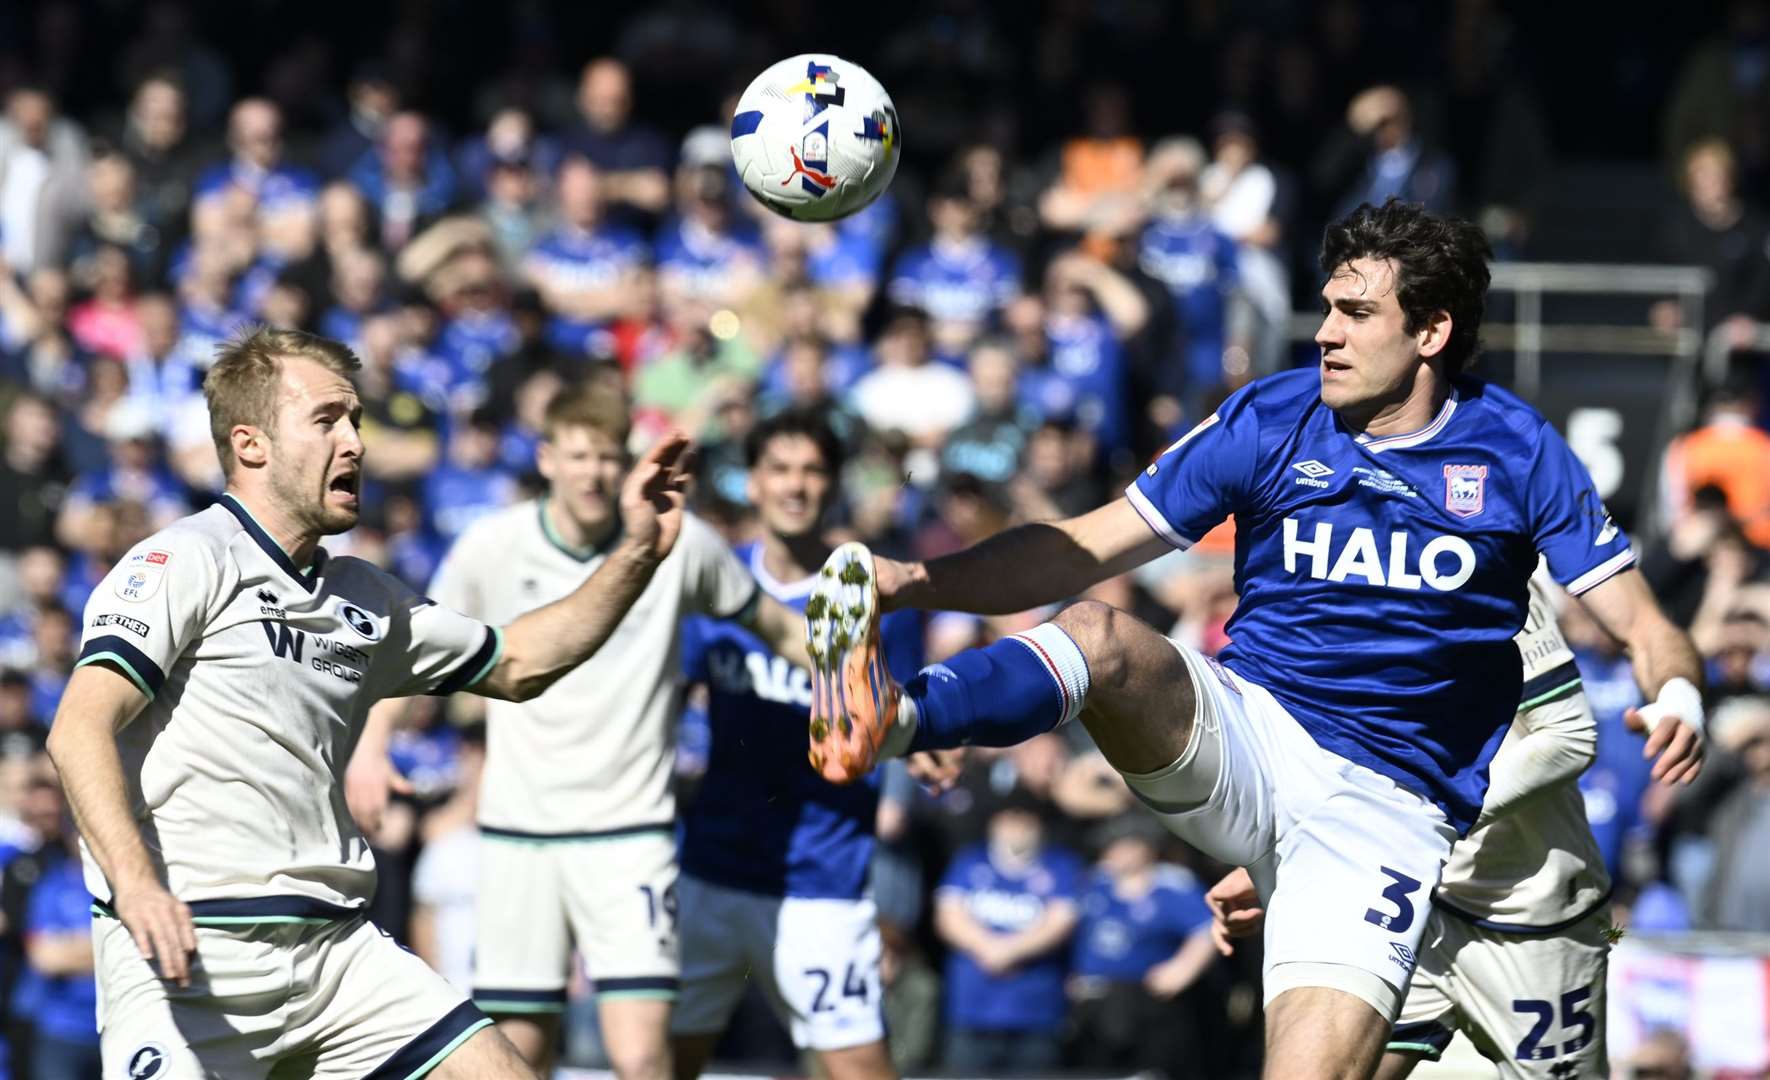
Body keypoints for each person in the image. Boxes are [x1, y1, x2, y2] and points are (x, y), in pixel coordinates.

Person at [801, 199, 1706, 1079]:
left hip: (1388, 814)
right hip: (1254, 732)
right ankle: (896, 718)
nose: (1324, 333)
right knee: (1099, 635)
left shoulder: (1515, 451)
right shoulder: (1270, 419)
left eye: (1355, 313)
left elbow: (1643, 623)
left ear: (1430, 332)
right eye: (1325, 308)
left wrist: (1677, 692)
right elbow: (1080, 547)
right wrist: (918, 580)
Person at [47, 326, 699, 1079]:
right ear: (250, 444)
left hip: (337, 958)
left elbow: (521, 660)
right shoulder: (183, 559)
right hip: (187, 959)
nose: (356, 441)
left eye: (355, 419)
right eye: (327, 420)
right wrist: (136, 887)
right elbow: (78, 729)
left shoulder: (366, 596)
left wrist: (638, 552)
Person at [349, 383, 813, 1080]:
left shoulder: (679, 546)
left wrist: (881, 691)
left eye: (607, 457)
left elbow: (779, 627)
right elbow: (417, 649)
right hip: (518, 834)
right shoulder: (492, 545)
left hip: (631, 832)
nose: (593, 473)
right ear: (546, 459)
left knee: (641, 1054)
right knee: (518, 1054)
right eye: (578, 456)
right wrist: (371, 743)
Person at [1209, 575, 1685, 1077]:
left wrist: (1415, 826)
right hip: (1409, 900)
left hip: (1530, 920)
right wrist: (1279, 858)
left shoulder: (1490, 570)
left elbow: (1566, 739)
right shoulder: (1327, 583)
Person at [672, 408, 924, 1080]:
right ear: (752, 483)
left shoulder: (873, 591)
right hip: (712, 867)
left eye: (812, 471)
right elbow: (661, 699)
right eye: (779, 469)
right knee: (660, 1063)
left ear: (834, 484)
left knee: (860, 1067)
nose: (795, 486)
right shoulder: (714, 581)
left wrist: (930, 744)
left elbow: (908, 711)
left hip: (824, 875)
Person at [933, 796, 1082, 1073]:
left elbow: (1060, 922)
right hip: (972, 1009)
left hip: (1037, 1010)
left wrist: (1007, 951)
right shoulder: (969, 862)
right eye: (1009, 820)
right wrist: (987, 947)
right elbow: (947, 917)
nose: (1017, 828)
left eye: (1025, 821)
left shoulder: (1060, 865)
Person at [1068, 813, 1217, 1075]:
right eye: (1111, 846)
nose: (1115, 853)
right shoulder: (1096, 883)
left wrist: (1182, 969)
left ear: (1145, 848)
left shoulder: (1170, 885)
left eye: (1124, 846)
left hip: (1145, 1001)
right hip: (1094, 999)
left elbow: (1205, 929)